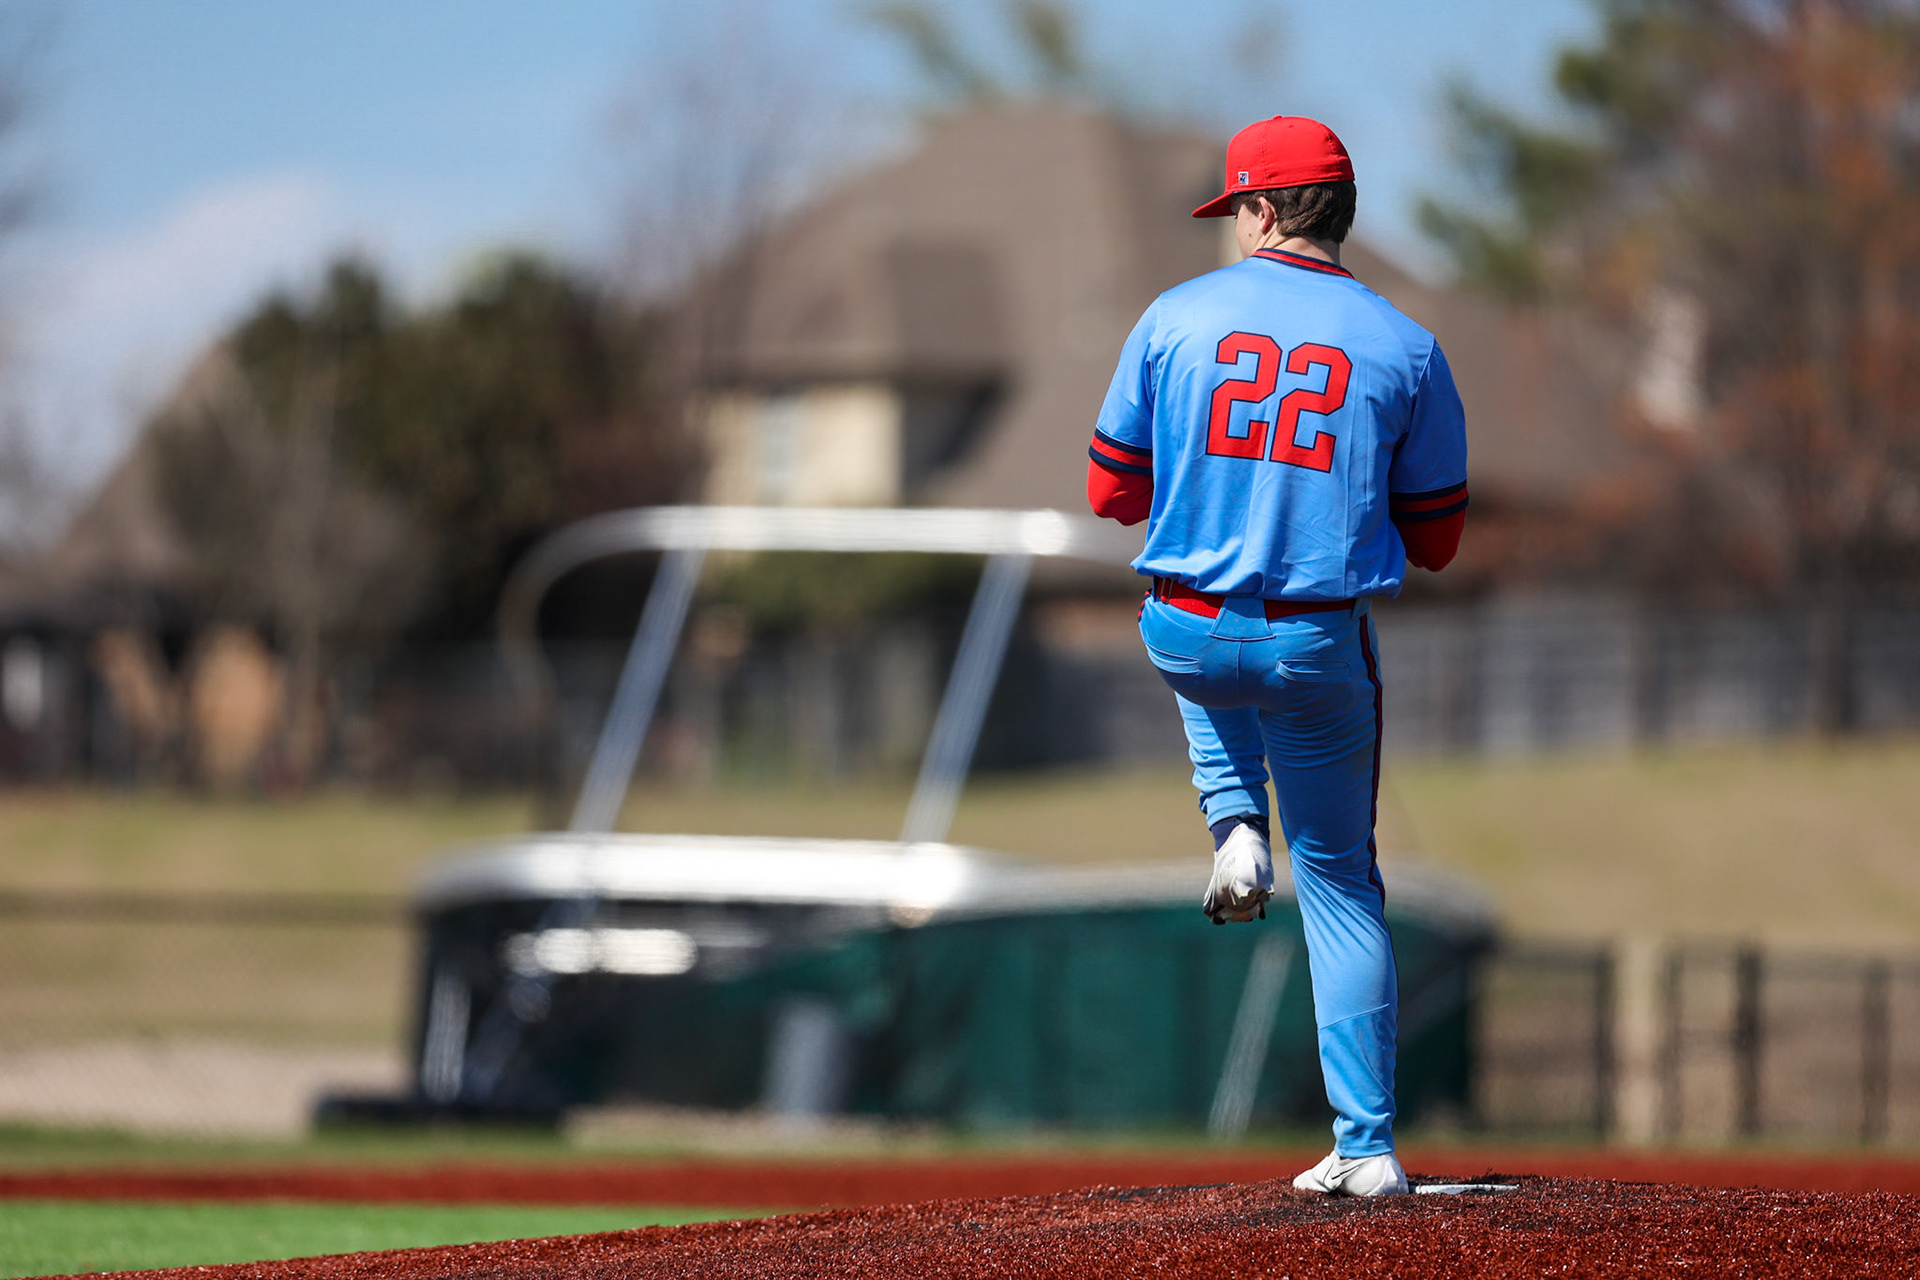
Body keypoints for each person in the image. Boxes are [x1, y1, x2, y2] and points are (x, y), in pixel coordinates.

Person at [1085, 115, 1467, 1197]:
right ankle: (1368, 1143)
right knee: (1341, 881)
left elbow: (1109, 493)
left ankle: (1234, 822)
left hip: (1186, 622)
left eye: (1236, 209)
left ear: (1259, 208)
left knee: (1202, 651)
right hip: (1313, 639)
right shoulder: (1405, 342)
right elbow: (1438, 538)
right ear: (1340, 214)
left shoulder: (1173, 318)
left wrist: (1217, 491)